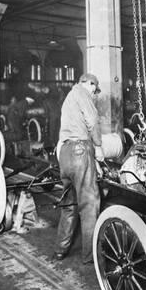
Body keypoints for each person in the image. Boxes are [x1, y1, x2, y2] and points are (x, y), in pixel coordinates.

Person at [53, 73, 104, 264]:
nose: (94, 93)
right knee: (89, 204)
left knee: (69, 204)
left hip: (65, 153)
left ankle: (60, 249)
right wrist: (98, 148)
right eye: (94, 89)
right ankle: (90, 256)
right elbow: (92, 120)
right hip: (80, 151)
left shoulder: (69, 97)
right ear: (88, 83)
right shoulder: (83, 94)